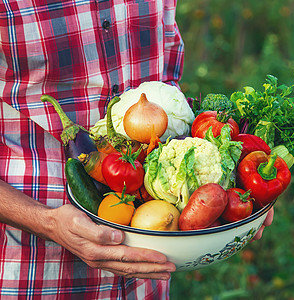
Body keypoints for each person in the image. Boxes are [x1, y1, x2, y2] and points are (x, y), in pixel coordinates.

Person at [0, 1, 273, 298]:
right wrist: (48, 223)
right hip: (39, 268)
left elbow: (169, 91)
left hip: (149, 275)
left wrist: (246, 194)